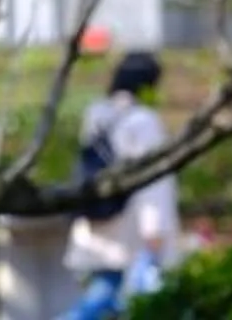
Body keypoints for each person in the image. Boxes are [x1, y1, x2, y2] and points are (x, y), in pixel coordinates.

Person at [62, 52, 180, 318]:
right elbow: (152, 183)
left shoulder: (97, 113)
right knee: (103, 300)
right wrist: (155, 233)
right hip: (130, 233)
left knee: (105, 298)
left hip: (95, 223)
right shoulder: (143, 121)